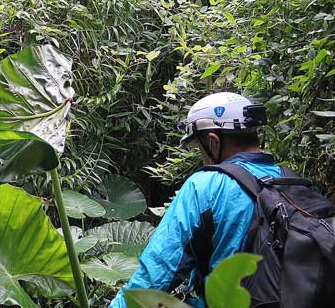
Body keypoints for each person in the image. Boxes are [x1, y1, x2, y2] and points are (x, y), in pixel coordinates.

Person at [109, 92, 279, 308]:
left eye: (199, 149)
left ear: (213, 142)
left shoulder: (206, 186)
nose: (201, 156)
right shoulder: (290, 181)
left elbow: (155, 276)